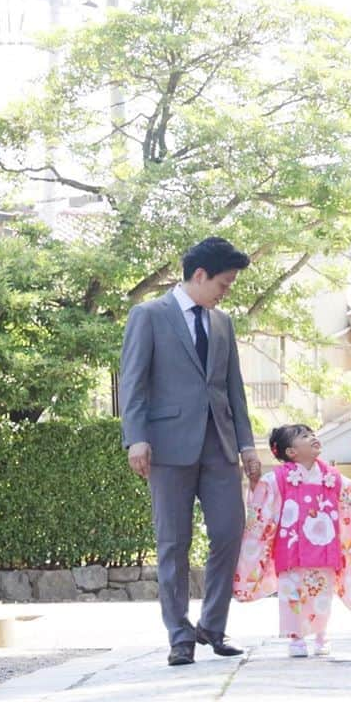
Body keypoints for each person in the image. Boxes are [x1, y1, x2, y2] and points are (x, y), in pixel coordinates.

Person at [119, 236, 262, 667]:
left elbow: (233, 389)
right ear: (199, 275)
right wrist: (136, 437)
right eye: (224, 282)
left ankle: (212, 626)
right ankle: (179, 636)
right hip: (167, 446)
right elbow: (133, 381)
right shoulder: (148, 316)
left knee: (228, 533)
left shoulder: (223, 324)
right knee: (172, 543)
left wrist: (247, 445)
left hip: (219, 447)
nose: (227, 290)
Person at [233, 424, 351, 657]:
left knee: (321, 594)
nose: (313, 438)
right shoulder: (278, 478)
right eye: (305, 436)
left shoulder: (333, 477)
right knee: (292, 594)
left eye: (313, 434)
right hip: (291, 550)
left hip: (324, 549)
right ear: (291, 453)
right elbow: (263, 504)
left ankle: (321, 635)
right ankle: (296, 638)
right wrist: (257, 483)